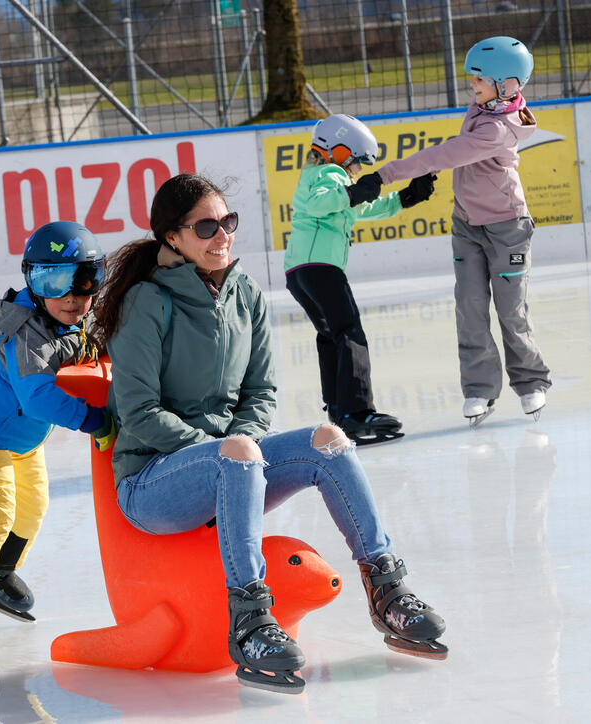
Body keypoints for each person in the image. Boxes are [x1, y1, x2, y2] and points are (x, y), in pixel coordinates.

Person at [92, 173, 447, 694]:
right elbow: (140, 413)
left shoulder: (245, 294)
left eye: (227, 222)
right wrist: (225, 453)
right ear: (172, 238)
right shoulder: (147, 303)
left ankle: (386, 588)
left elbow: (260, 396)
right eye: (206, 227)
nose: (223, 236)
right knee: (237, 451)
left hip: (234, 464)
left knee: (328, 441)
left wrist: (242, 450)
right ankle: (251, 620)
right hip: (153, 481)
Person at [0, 221, 117, 663]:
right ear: (33, 282)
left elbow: (90, 351)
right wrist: (94, 420)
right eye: (54, 282)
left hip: (22, 439)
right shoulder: (27, 334)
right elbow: (37, 398)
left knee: (32, 508)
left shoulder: (76, 321)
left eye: (85, 282)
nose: (72, 297)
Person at [356, 35, 551, 425]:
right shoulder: (486, 105)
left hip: (506, 228)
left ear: (507, 84)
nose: (471, 86)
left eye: (479, 80)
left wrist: (383, 176)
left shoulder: (498, 129)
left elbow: (448, 153)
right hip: (466, 225)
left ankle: (531, 382)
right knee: (470, 308)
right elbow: (457, 149)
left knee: (511, 311)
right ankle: (479, 389)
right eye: (473, 80)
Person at [284, 113, 436, 445]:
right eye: (356, 163)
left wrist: (405, 198)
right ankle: (358, 412)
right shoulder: (326, 173)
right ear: (339, 152)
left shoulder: (329, 180)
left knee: (331, 336)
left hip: (300, 272)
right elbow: (322, 202)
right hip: (319, 267)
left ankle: (339, 409)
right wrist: (354, 192)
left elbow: (363, 208)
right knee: (349, 332)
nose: (357, 172)